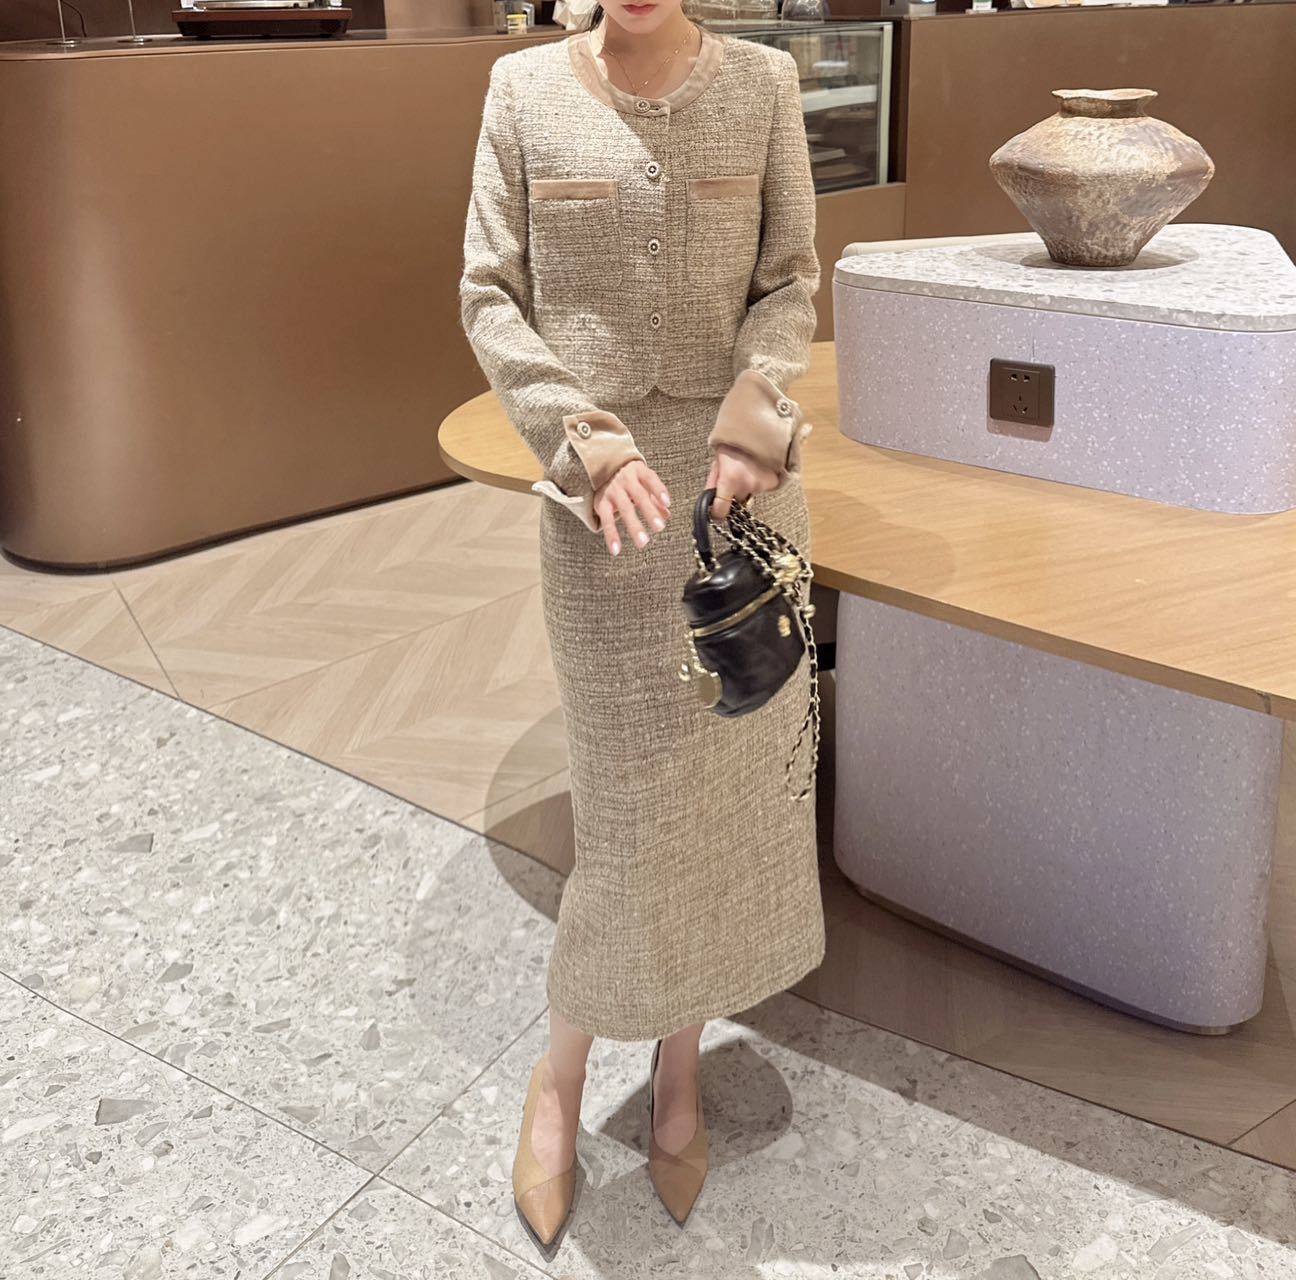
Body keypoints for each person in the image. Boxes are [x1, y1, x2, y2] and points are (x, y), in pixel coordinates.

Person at [459, 0, 825, 1252]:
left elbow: (788, 281)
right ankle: (560, 1074)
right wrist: (579, 435)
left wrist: (760, 414)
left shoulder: (764, 85)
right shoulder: (523, 92)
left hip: (740, 501)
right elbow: (491, 294)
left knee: (715, 809)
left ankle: (679, 1066)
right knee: (623, 821)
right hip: (600, 510)